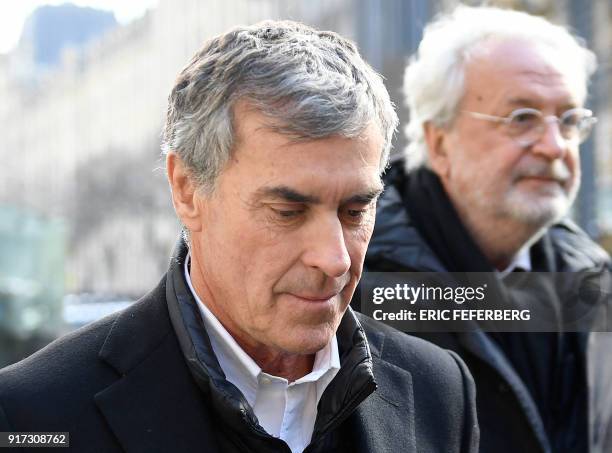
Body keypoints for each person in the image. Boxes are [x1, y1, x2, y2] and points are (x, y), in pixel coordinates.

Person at [0, 21, 479, 452]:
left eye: (356, 211)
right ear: (187, 188)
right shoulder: (34, 415)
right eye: (288, 211)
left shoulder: (439, 391)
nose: (334, 258)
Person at [360, 5, 612, 453]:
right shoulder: (356, 279)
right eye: (522, 119)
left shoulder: (590, 278)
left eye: (569, 120)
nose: (555, 146)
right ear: (439, 142)